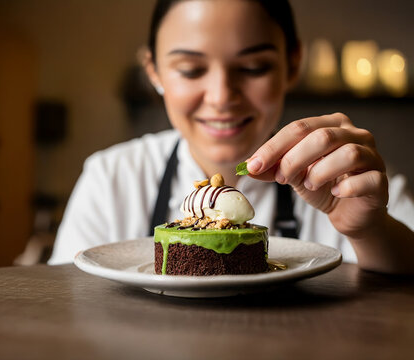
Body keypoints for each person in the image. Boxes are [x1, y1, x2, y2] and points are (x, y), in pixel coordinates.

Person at [48, 0, 414, 274]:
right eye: (191, 70)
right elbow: (68, 299)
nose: (222, 95)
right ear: (154, 72)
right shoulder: (112, 177)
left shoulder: (350, 181)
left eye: (253, 67)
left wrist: (370, 231)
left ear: (292, 65)